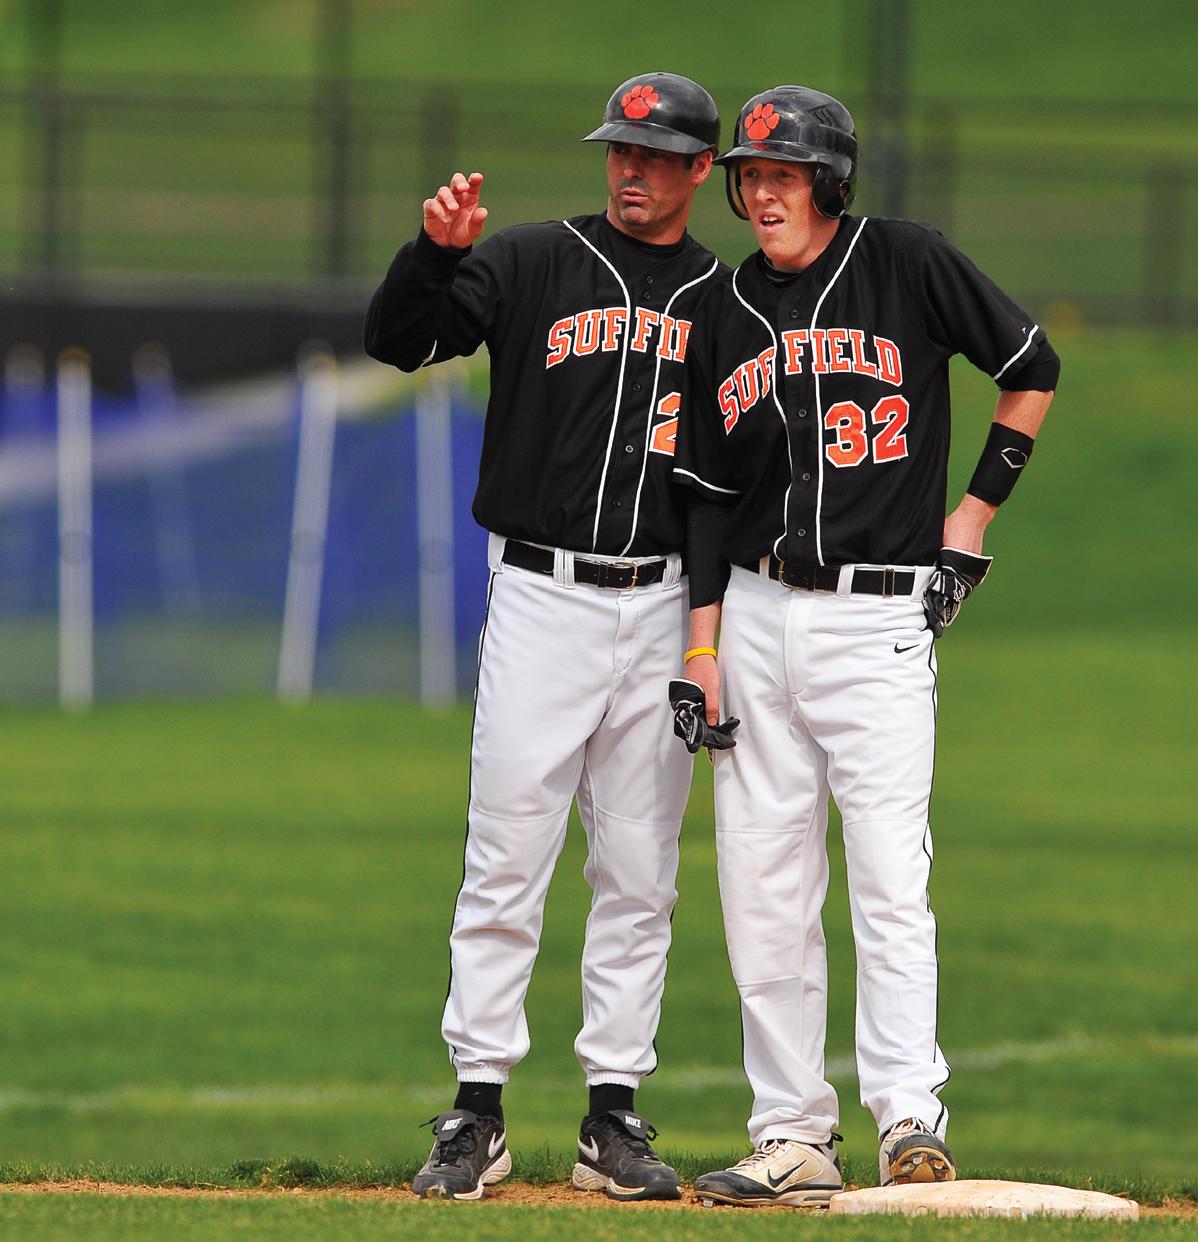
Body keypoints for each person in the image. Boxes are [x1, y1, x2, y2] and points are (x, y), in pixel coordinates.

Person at [672, 85, 1061, 1208]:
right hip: (754, 614)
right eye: (749, 177)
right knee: (762, 886)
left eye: (783, 176)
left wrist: (971, 520)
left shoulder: (905, 262)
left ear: (830, 183)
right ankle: (791, 1133)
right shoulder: (725, 307)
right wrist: (701, 647)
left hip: (878, 617)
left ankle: (908, 1119)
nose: (761, 195)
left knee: (890, 879)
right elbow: (705, 495)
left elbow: (1031, 367)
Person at [364, 72, 726, 1203]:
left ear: (699, 170)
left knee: (639, 869)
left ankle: (613, 1115)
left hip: (665, 605)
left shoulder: (726, 298)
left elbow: (732, 482)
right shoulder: (529, 261)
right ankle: (475, 1110)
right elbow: (398, 341)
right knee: (507, 851)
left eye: (655, 154)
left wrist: (710, 637)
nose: (631, 168)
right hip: (541, 594)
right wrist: (433, 256)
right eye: (620, 148)